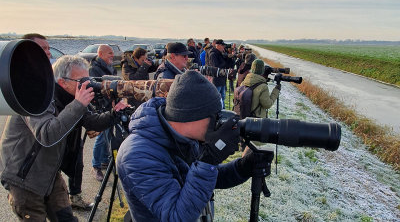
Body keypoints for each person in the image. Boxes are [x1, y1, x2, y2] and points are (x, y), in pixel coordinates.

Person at [117, 70, 269, 221]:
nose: (219, 123)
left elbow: (200, 179)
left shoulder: (185, 137)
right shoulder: (137, 155)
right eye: (215, 116)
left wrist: (241, 168)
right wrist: (209, 159)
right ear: (192, 116)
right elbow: (177, 217)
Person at [0, 56, 95, 221]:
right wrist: (78, 104)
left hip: (49, 173)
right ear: (62, 81)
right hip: (25, 177)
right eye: (82, 80)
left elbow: (92, 120)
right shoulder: (33, 94)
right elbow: (47, 134)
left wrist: (115, 113)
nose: (48, 55)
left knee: (66, 218)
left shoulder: (68, 96)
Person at [89, 44, 118, 182]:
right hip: (101, 108)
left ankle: (106, 160)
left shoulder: (109, 67)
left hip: (110, 106)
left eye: (112, 53)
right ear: (101, 54)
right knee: (102, 137)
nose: (112, 55)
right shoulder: (94, 69)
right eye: (109, 53)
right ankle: (96, 166)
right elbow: (95, 91)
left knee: (110, 135)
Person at [209, 39, 234, 108]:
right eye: (222, 45)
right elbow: (216, 67)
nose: (224, 47)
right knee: (217, 98)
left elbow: (229, 65)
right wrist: (225, 62)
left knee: (222, 97)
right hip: (216, 79)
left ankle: (223, 111)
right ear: (218, 45)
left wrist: (230, 58)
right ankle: (218, 111)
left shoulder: (220, 54)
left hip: (222, 79)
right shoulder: (213, 54)